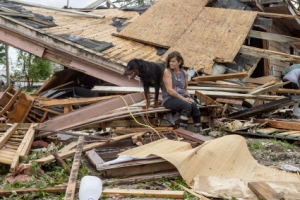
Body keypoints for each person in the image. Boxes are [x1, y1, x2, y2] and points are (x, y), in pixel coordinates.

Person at [161, 51, 201, 133]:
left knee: (194, 105)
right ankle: (182, 130)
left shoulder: (185, 73)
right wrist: (184, 99)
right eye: (170, 61)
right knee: (186, 106)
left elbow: (185, 89)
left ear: (179, 62)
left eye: (173, 61)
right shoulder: (167, 72)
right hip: (169, 99)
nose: (171, 63)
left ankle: (198, 130)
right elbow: (170, 90)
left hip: (182, 97)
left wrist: (189, 98)